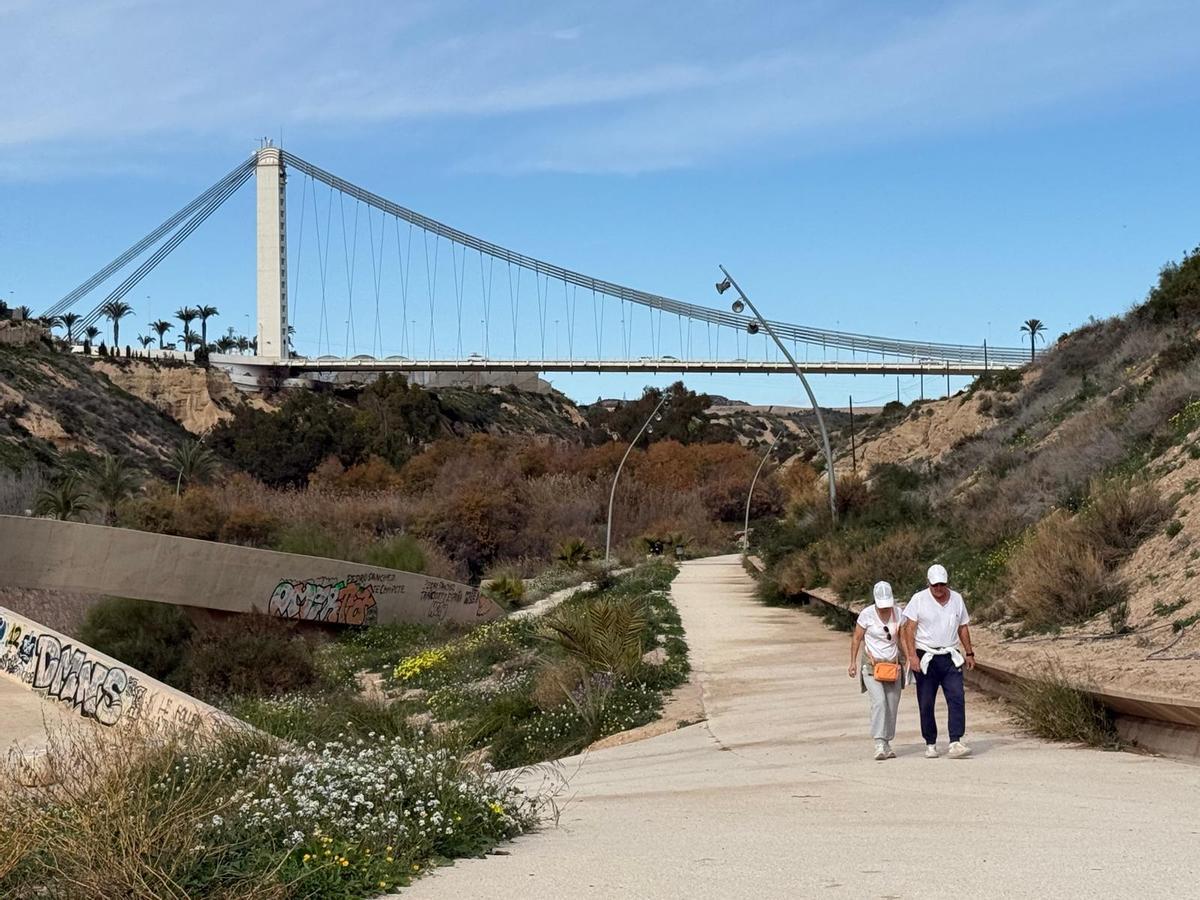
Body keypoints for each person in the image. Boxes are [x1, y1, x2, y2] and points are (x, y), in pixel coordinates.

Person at [900, 564, 975, 759]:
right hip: (926, 655)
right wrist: (912, 656)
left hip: (950, 655)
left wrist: (969, 652)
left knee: (957, 697)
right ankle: (930, 742)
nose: (939, 589)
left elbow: (963, 627)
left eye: (942, 585)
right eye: (935, 585)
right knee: (926, 702)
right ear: (929, 584)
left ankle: (955, 740)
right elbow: (908, 629)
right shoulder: (919, 599)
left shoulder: (957, 599)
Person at [848, 581, 906, 760]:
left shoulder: (899, 613)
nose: (885, 609)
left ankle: (888, 741)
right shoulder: (866, 614)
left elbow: (903, 638)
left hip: (893, 664)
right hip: (871, 665)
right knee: (879, 702)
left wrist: (911, 658)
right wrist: (852, 663)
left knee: (892, 704)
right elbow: (857, 639)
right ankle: (879, 742)